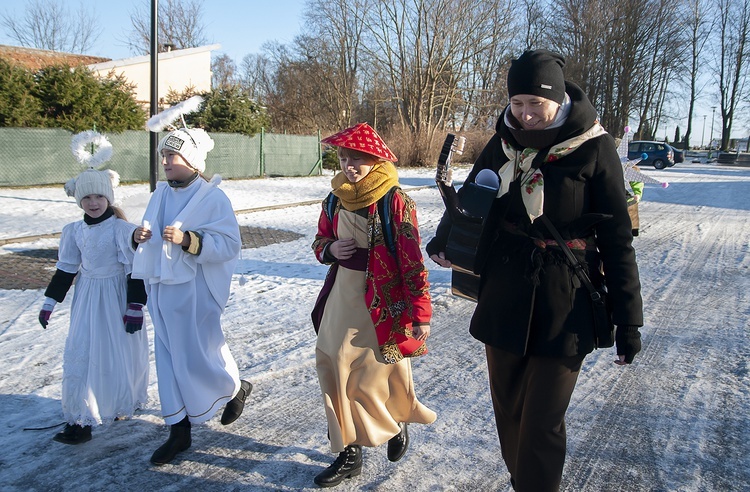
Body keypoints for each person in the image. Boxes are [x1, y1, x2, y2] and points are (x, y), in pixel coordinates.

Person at [426, 50, 644, 491]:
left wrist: (629, 320)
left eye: (535, 104)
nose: (525, 115)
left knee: (541, 423)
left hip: (567, 300)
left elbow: (618, 240)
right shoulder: (502, 143)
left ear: (558, 98)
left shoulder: (594, 147)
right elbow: (472, 199)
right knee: (509, 415)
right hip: (505, 292)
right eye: (517, 103)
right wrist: (444, 240)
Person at [311, 122, 437, 487]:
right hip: (341, 295)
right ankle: (348, 452)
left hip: (382, 300)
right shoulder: (334, 198)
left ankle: (393, 422)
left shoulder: (394, 199)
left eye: (358, 159)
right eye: (345, 158)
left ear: (376, 159)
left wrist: (420, 311)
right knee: (333, 363)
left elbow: (412, 258)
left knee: (377, 370)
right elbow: (320, 240)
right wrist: (331, 249)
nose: (350, 166)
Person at [132, 109, 251, 466]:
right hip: (162, 291)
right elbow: (148, 232)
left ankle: (233, 388)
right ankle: (178, 431)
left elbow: (229, 245)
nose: (166, 162)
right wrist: (136, 236)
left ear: (192, 159)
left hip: (195, 292)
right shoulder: (160, 194)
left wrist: (189, 240)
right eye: (164, 156)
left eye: (173, 155)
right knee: (169, 362)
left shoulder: (213, 198)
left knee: (198, 354)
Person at [38, 131, 149, 445]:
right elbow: (65, 269)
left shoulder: (121, 229)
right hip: (87, 299)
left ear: (109, 198)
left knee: (114, 354)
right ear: (78, 200)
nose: (93, 203)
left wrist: (135, 306)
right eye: (86, 198)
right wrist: (49, 302)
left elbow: (135, 268)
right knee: (83, 353)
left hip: (115, 300)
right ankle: (80, 419)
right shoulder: (73, 232)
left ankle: (112, 405)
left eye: (99, 197)